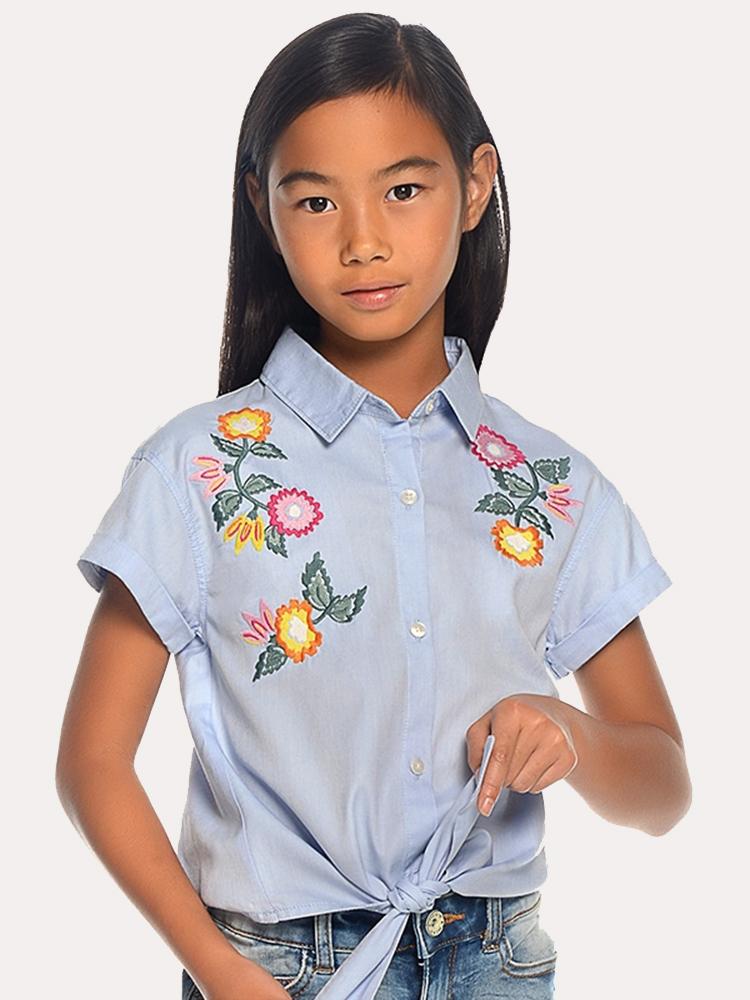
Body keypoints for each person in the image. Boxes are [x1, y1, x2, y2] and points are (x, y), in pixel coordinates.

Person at [56, 12, 692, 1000]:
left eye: (403, 189)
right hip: (284, 969)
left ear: (474, 186)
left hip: (497, 961)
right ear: (263, 206)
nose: (362, 241)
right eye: (316, 201)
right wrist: (220, 970)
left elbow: (663, 790)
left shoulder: (550, 484)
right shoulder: (199, 468)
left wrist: (569, 732)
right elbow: (92, 762)